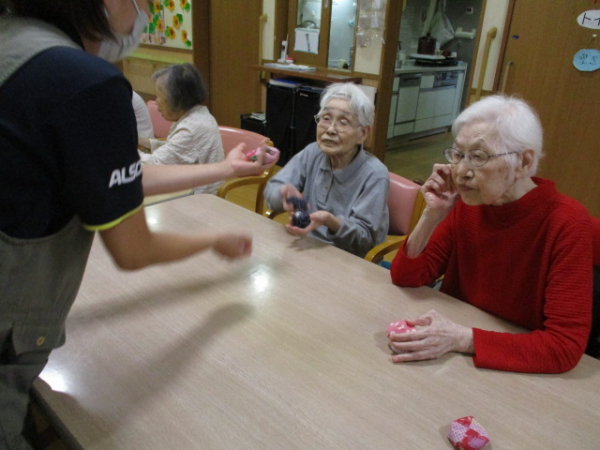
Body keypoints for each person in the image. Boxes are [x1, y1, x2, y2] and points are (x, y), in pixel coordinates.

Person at [0, 1, 276, 448]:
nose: (145, 12)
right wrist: (213, 240)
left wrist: (225, 169)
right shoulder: (85, 82)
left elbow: (116, 176)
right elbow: (133, 249)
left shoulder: (13, 41)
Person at [388, 95, 593, 374]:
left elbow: (564, 347)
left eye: (478, 157)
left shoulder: (567, 222)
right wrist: (431, 216)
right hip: (453, 355)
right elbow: (406, 277)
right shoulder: (470, 203)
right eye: (458, 154)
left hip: (510, 365)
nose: (461, 171)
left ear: (523, 162)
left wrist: (462, 338)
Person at [263, 82, 389, 258]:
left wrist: (332, 222)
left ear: (363, 133)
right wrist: (283, 197)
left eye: (343, 122)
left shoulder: (375, 174)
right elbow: (273, 188)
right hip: (307, 246)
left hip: (349, 260)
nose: (330, 129)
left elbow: (365, 241)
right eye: (326, 118)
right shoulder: (312, 152)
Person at [138, 63, 225, 195]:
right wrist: (145, 142)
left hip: (198, 201)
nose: (156, 101)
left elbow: (154, 167)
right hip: (187, 192)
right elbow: (177, 150)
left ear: (177, 98)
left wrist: (125, 154)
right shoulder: (197, 114)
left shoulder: (192, 128)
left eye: (159, 95)